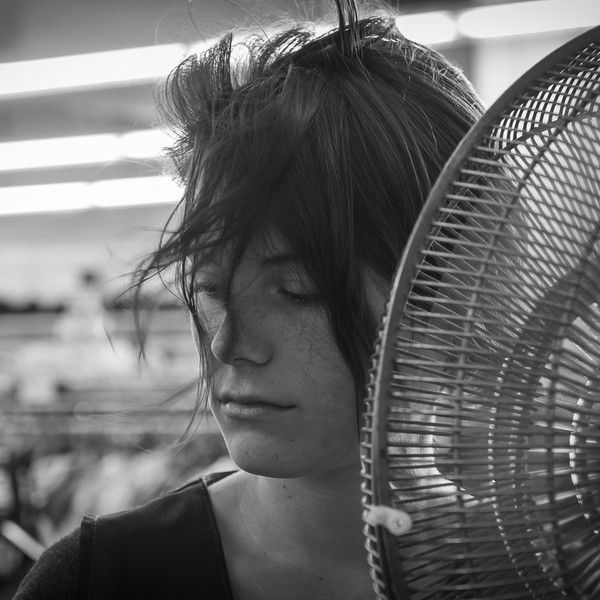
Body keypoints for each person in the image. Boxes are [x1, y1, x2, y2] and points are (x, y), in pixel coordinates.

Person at [14, 1, 482, 598]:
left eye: (298, 291)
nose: (227, 344)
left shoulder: (549, 573)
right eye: (209, 289)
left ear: (444, 294)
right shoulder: (97, 581)